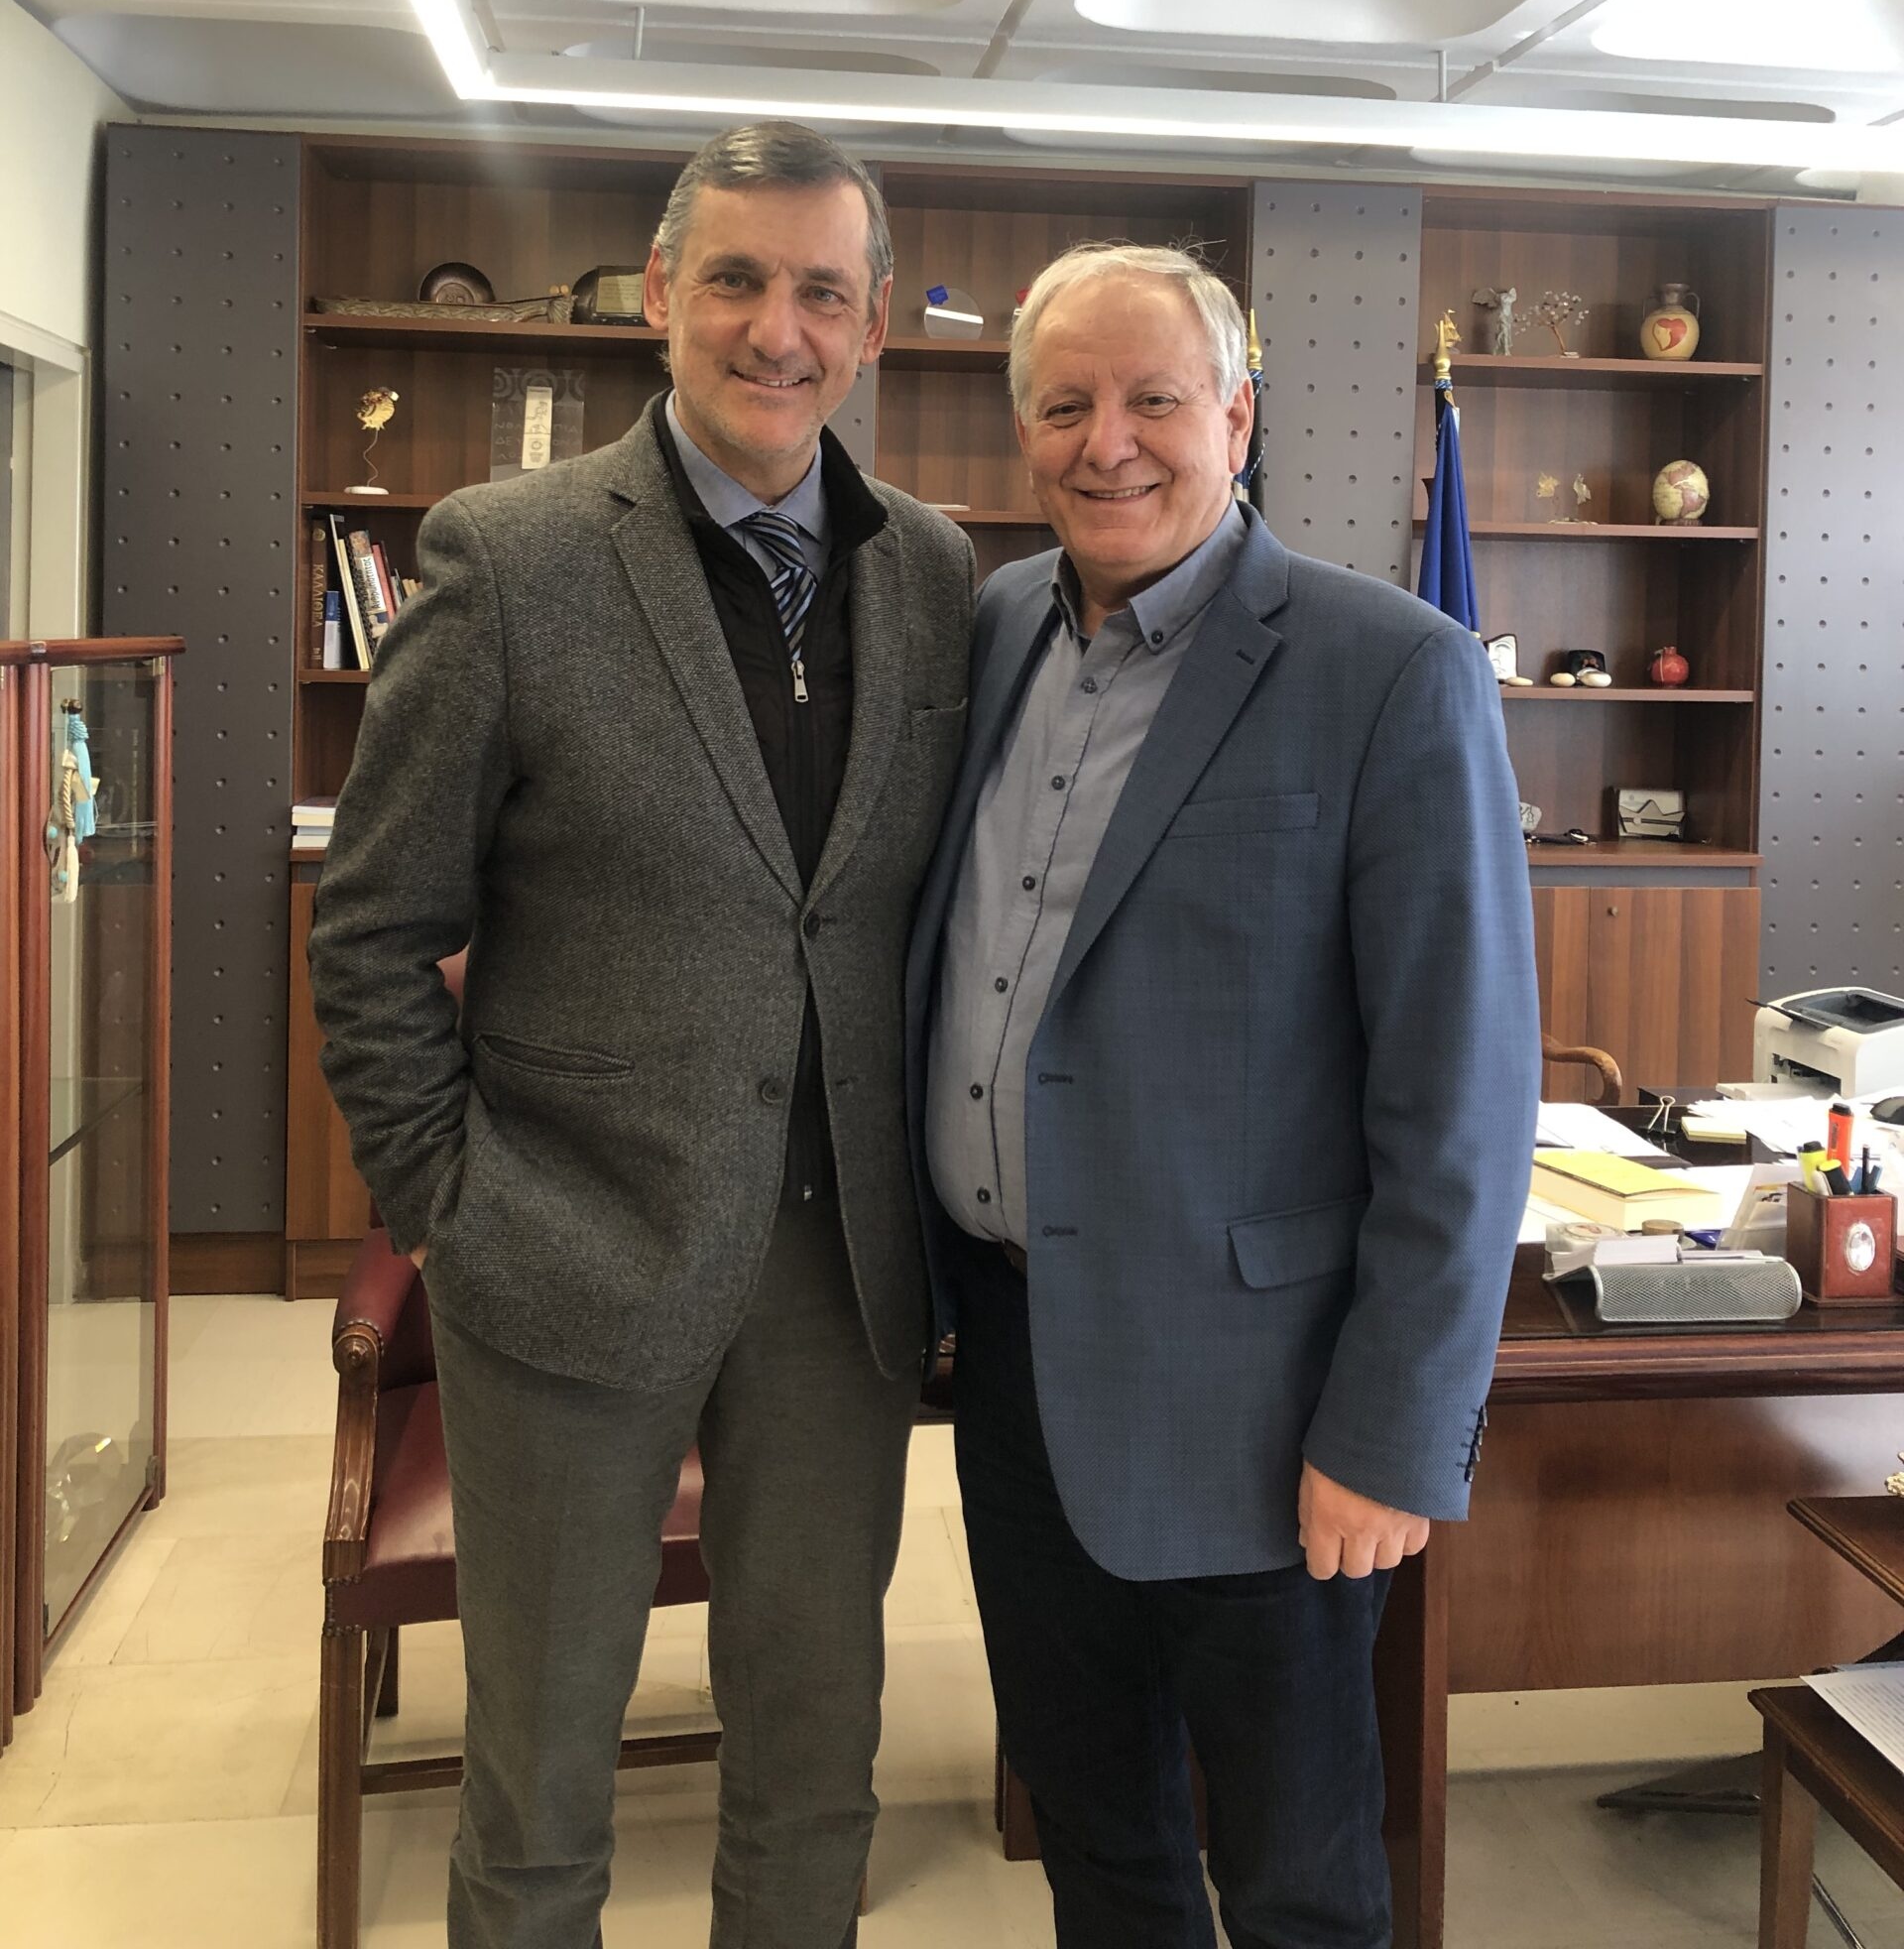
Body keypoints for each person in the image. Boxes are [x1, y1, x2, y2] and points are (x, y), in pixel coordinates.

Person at [309, 120, 974, 1949]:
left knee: (816, 1769)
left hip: (843, 1278)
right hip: (567, 1256)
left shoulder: (935, 575)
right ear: (664, 293)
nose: (778, 329)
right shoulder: (510, 559)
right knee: (539, 1795)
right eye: (738, 279)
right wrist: (449, 1208)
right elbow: (372, 931)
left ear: (873, 329)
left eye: (822, 292)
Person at [907, 243, 1539, 1948]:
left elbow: (1462, 1101)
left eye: (1154, 400)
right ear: (1024, 429)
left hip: (1264, 1411)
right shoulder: (991, 632)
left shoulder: (1389, 669)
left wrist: (1392, 1433)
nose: (1107, 442)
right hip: (1015, 1366)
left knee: (1297, 1882)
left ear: (1238, 418)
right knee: (1096, 1841)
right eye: (1065, 404)